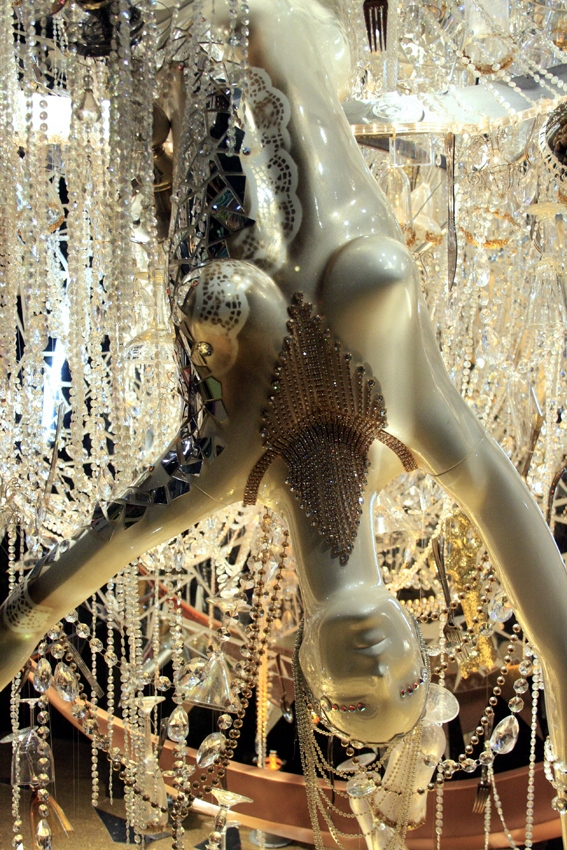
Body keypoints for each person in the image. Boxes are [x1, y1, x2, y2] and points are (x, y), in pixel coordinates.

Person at [1, 0, 567, 805]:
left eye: (355, 701)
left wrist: (18, 632)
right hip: (305, 29)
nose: (379, 670)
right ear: (420, 649)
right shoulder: (417, 432)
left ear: (306, 672)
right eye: (407, 685)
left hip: (189, 33)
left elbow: (48, 595)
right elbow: (534, 573)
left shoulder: (215, 472)